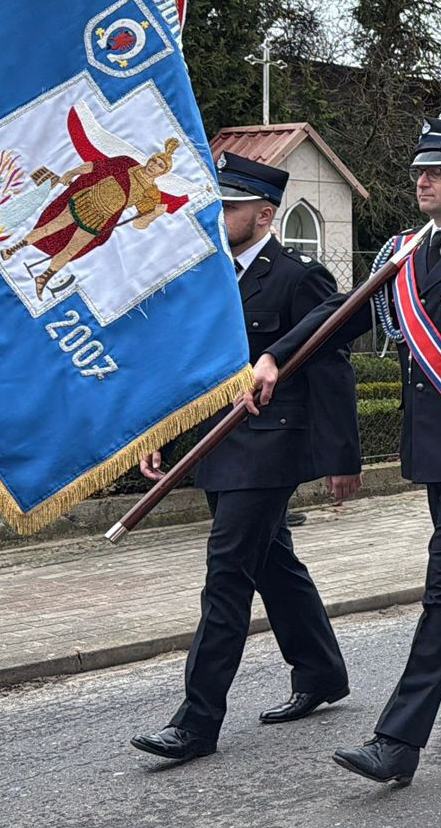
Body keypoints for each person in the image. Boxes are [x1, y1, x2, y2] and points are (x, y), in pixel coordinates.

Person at [251, 118, 441, 787]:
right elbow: (342, 314)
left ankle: (397, 740)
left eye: (439, 170)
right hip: (436, 452)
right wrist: (277, 355)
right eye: (420, 170)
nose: (423, 180)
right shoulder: (405, 252)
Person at [131, 153, 357, 764]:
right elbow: (191, 365)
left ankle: (196, 721)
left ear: (264, 214)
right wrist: (161, 430)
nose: (219, 216)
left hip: (270, 448)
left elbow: (333, 353)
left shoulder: (298, 277)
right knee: (272, 563)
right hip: (219, 445)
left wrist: (343, 457)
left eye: (230, 207)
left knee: (227, 574)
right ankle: (320, 671)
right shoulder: (212, 277)